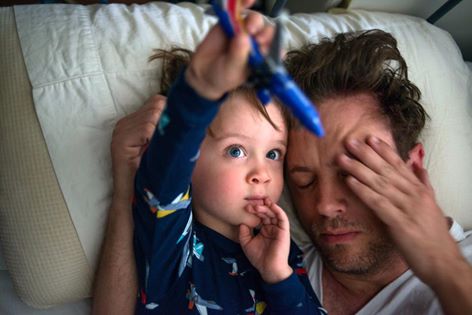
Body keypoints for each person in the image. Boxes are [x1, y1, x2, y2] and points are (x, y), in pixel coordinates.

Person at [92, 28, 472, 315]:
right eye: (303, 180)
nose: (324, 206)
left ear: (413, 167)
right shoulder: (281, 251)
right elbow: (167, 181)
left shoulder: (281, 259)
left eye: (352, 173)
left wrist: (442, 264)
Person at [126, 2, 325, 313]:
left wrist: (279, 278)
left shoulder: (284, 253)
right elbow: (167, 165)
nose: (262, 173)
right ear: (191, 161)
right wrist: (201, 89)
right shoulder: (170, 239)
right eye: (236, 151)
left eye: (273, 153)